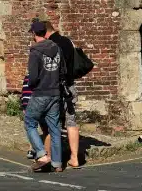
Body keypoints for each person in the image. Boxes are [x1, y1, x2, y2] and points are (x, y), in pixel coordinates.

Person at [24, 20, 64, 173]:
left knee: (29, 122)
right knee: (54, 128)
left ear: (34, 34)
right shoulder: (57, 47)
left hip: (41, 92)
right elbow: (62, 71)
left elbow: (32, 77)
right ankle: (57, 163)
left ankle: (41, 155)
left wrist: (32, 86)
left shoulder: (35, 51)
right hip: (55, 92)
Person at [44, 22, 82, 169]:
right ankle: (74, 158)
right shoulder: (67, 41)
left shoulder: (50, 45)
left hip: (56, 88)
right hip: (70, 87)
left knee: (53, 123)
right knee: (71, 122)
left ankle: (50, 157)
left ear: (46, 33)